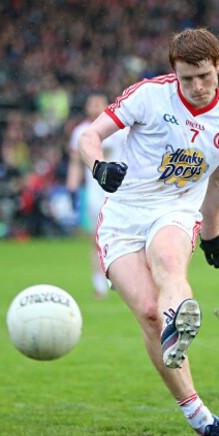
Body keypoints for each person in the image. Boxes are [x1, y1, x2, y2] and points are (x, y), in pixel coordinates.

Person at [78, 28, 219, 436]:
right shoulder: (148, 94)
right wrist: (98, 166)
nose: (196, 87)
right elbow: (91, 136)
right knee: (146, 312)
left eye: (204, 77)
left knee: (168, 257)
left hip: (176, 210)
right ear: (173, 73)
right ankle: (202, 419)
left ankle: (179, 320)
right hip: (123, 216)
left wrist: (212, 235)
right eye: (186, 79)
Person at [66, 92, 126, 299]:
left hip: (121, 191)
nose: (95, 107)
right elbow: (75, 162)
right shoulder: (81, 132)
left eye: (100, 103)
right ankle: (100, 285)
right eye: (92, 103)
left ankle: (121, 279)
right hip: (94, 192)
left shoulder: (120, 130)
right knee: (97, 238)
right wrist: (72, 187)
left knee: (123, 237)